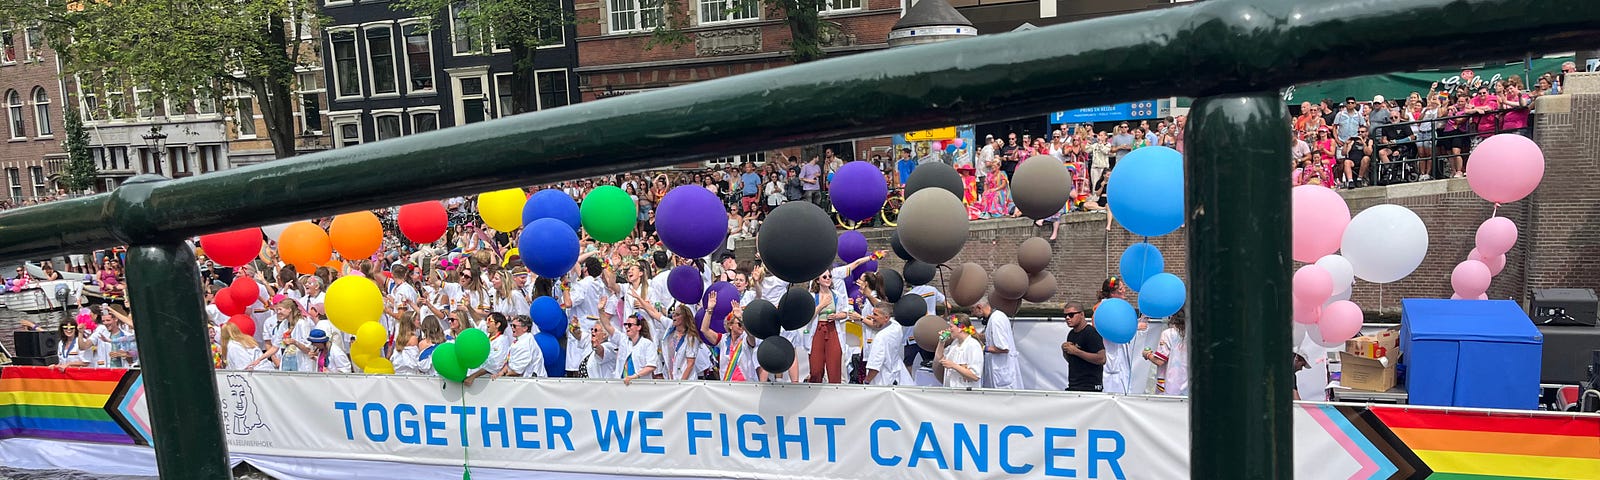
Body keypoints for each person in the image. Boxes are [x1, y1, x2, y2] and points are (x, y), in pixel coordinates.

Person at [807, 272, 849, 383]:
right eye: (824, 277)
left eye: (830, 276)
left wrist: (837, 316)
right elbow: (808, 316)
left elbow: (845, 312)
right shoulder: (812, 296)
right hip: (817, 330)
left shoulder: (837, 295)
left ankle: (834, 392)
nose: (828, 279)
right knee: (816, 368)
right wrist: (821, 305)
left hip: (832, 329)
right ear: (817, 280)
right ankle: (814, 390)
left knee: (834, 365)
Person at [861, 300, 910, 386]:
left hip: (881, 381)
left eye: (875, 315)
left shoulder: (881, 337)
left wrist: (866, 381)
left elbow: (874, 367)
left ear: (886, 318)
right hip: (896, 375)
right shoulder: (897, 327)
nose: (872, 317)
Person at [974, 298, 1019, 389]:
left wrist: (983, 348)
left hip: (1002, 370)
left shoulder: (996, 320)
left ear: (979, 307)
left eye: (972, 310)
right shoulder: (994, 317)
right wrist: (974, 335)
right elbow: (990, 337)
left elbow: (1003, 348)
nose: (972, 314)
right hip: (997, 370)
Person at [1060, 302, 1104, 392]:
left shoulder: (1091, 333)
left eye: (1071, 315)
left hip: (1089, 387)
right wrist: (1065, 351)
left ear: (1081, 314)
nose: (1067, 318)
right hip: (1074, 385)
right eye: (1065, 316)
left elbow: (1102, 359)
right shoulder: (1071, 334)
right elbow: (1073, 361)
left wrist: (1076, 351)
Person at [1143, 311, 1189, 396]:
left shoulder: (1168, 334)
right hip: (1189, 385)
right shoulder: (1193, 334)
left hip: (1170, 385)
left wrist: (1147, 354)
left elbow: (1160, 361)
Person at [932, 314, 983, 389]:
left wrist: (954, 366)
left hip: (965, 393)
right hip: (951, 391)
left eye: (951, 327)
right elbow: (939, 358)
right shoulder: (955, 344)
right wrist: (941, 342)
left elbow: (975, 376)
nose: (949, 330)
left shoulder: (973, 345)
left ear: (960, 328)